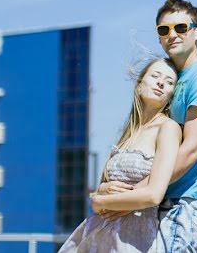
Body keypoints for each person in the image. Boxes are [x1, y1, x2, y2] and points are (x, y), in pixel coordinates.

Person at [100, 0, 197, 252]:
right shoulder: (177, 78)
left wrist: (135, 192)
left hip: (187, 204)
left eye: (181, 28)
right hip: (163, 203)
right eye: (164, 29)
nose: (173, 34)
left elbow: (192, 149)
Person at [60, 58, 181, 252]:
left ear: (171, 95)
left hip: (134, 237)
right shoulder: (130, 132)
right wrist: (103, 189)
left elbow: (153, 195)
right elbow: (102, 195)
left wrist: (100, 201)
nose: (161, 83)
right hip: (99, 234)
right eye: (155, 76)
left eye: (169, 82)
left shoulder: (168, 128)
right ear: (140, 83)